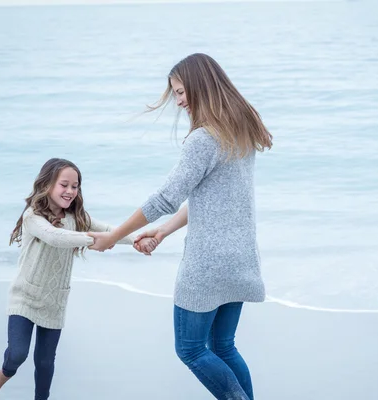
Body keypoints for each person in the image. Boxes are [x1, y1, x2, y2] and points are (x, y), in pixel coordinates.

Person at [88, 53, 273, 400]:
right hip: (242, 260)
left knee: (190, 349)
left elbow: (165, 198)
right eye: (175, 93)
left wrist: (113, 236)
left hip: (208, 265)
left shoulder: (203, 140)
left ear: (202, 85)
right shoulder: (240, 130)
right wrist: (162, 231)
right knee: (223, 347)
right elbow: (210, 199)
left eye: (181, 91)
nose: (179, 101)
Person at [0, 158, 156, 399]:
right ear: (47, 184)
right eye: (64, 185)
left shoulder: (78, 217)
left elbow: (109, 230)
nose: (70, 191)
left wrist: (136, 240)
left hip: (55, 300)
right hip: (25, 297)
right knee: (18, 354)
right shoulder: (33, 216)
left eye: (75, 186)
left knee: (45, 363)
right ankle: (5, 373)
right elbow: (55, 236)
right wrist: (92, 240)